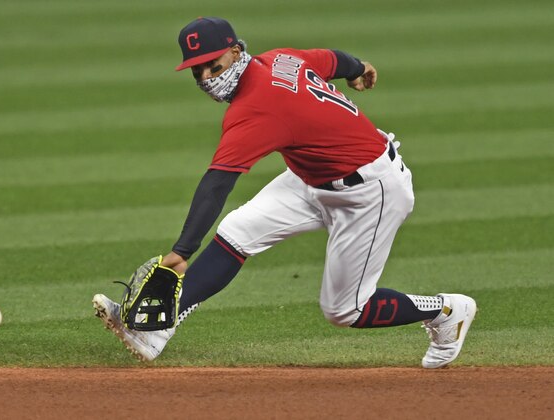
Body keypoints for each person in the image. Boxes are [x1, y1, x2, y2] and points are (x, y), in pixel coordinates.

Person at [93, 17, 477, 368]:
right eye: (199, 69)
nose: (208, 76)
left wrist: (183, 250)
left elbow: (217, 182)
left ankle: (446, 311)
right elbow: (331, 59)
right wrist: (359, 68)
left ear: (237, 52)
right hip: (310, 178)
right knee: (238, 231)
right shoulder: (279, 59)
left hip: (370, 193)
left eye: (216, 65)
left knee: (344, 310)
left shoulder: (255, 108)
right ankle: (155, 329)